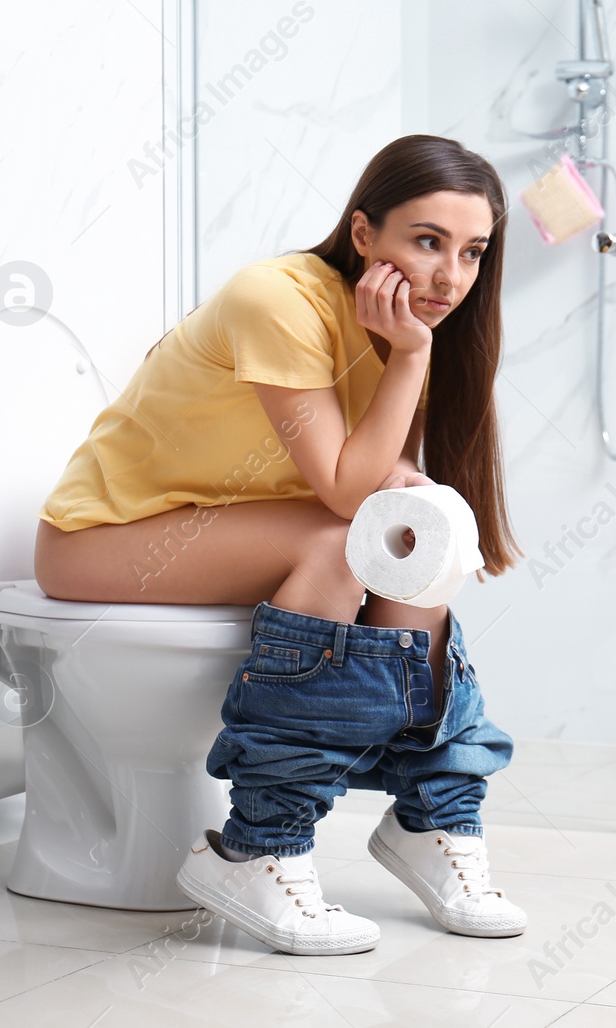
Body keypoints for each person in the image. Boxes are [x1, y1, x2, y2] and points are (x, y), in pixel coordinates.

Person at [33, 134, 526, 955]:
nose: (450, 277)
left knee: (406, 527)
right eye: (428, 241)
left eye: (472, 252)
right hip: (99, 538)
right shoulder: (281, 300)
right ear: (364, 234)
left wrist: (412, 472)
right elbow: (339, 487)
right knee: (341, 543)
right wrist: (412, 358)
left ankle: (433, 816)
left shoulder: (400, 321)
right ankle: (257, 846)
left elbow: (377, 474)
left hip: (232, 533)